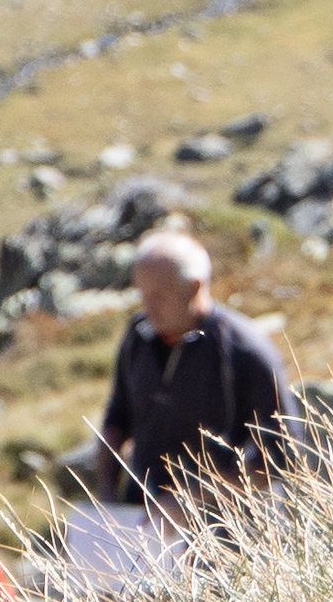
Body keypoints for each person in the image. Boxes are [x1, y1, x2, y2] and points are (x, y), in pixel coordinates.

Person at [89, 224, 292, 543]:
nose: (148, 306)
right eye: (143, 294)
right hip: (142, 524)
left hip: (225, 537)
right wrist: (106, 498)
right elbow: (117, 420)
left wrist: (194, 499)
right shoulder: (139, 337)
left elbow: (282, 458)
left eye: (160, 295)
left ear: (195, 287)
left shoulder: (245, 352)